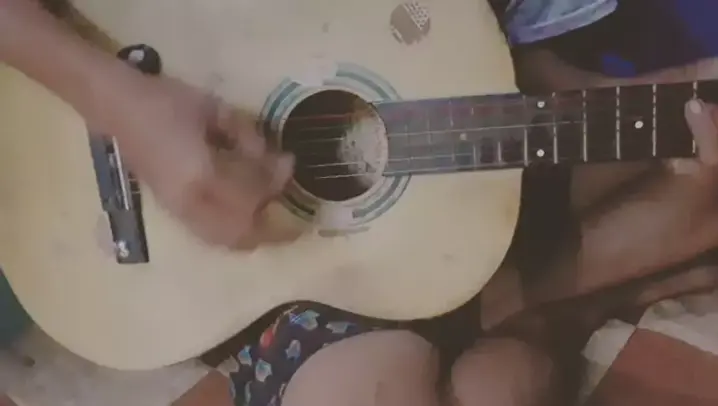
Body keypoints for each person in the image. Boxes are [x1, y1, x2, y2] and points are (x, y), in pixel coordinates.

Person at [2, 1, 718, 406]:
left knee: (505, 383)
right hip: (268, 251)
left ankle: (534, 315)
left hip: (491, 151)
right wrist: (114, 97)